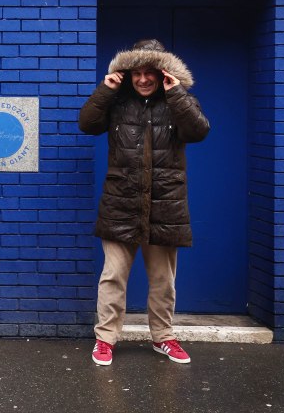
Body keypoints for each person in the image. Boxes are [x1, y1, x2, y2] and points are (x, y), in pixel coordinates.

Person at [78, 39, 210, 366]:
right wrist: (106, 89)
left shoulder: (178, 101)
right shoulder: (117, 102)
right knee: (113, 277)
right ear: (127, 74)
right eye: (136, 73)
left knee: (163, 281)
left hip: (165, 205)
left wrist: (176, 92)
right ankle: (105, 339)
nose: (142, 79)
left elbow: (198, 131)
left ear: (162, 73)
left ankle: (164, 337)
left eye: (149, 72)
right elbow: (87, 123)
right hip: (121, 203)